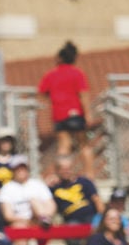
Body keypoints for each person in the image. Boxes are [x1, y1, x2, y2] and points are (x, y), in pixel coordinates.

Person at [37, 41, 93, 176]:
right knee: (84, 145)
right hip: (75, 113)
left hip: (59, 115)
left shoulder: (51, 75)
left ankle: (62, 174)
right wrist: (88, 114)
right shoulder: (77, 73)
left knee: (63, 147)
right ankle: (89, 174)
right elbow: (83, 95)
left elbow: (41, 93)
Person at [47, 154, 102, 245]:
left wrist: (102, 216)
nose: (66, 171)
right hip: (72, 220)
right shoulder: (54, 188)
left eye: (68, 168)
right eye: (62, 168)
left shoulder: (84, 182)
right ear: (57, 171)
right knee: (72, 229)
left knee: (97, 225)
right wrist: (47, 182)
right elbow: (43, 198)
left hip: (91, 216)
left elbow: (97, 200)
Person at [0, 155, 56, 233]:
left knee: (34, 201)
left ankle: (44, 220)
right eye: (18, 168)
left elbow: (51, 204)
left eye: (23, 167)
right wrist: (26, 220)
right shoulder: (6, 188)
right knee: (19, 228)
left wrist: (45, 215)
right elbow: (8, 215)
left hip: (39, 220)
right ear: (12, 170)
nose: (21, 170)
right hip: (20, 222)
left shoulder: (37, 184)